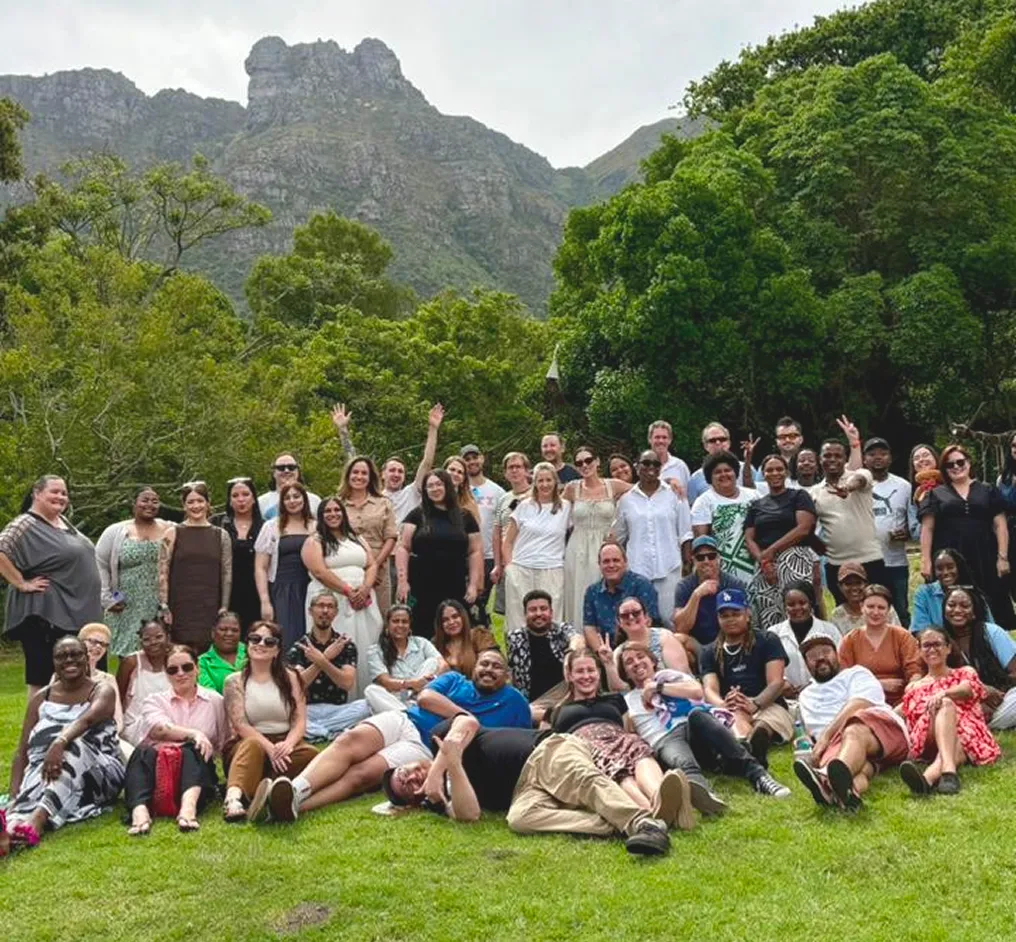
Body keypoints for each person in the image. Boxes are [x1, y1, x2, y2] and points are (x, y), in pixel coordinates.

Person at [253, 648, 529, 822]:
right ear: (475, 668)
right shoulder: (456, 680)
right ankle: (296, 789)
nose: (488, 670)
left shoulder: (514, 702)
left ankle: (294, 807)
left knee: (363, 774)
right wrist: (465, 718)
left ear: (506, 675)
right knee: (348, 741)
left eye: (496, 667)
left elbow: (514, 742)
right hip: (405, 720)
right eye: (484, 664)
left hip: (425, 750)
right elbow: (426, 698)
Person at [381, 713, 674, 856]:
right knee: (520, 819)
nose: (410, 778)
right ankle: (612, 823)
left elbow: (467, 723)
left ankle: (644, 826)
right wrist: (454, 768)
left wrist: (439, 766)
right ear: (412, 800)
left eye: (404, 772)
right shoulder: (438, 798)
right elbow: (469, 815)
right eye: (406, 786)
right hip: (524, 791)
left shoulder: (437, 739)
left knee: (583, 780)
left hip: (545, 751)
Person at [617, 641, 790, 808]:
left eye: (641, 657)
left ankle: (759, 776)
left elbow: (697, 692)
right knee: (680, 758)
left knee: (698, 715)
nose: (636, 663)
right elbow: (627, 731)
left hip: (697, 731)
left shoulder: (671, 677)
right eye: (629, 662)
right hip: (665, 738)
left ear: (652, 660)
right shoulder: (627, 701)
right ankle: (705, 796)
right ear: (625, 673)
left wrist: (657, 687)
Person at [548, 647, 694, 828]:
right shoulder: (557, 711)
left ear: (598, 673)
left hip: (620, 738)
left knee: (639, 751)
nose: (586, 676)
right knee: (614, 764)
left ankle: (659, 797)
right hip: (586, 745)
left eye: (591, 670)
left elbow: (628, 728)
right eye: (580, 671)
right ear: (569, 676)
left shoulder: (615, 700)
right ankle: (650, 810)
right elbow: (548, 747)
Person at [5, 637, 124, 849]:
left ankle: (39, 818)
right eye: (62, 656)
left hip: (99, 772)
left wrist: (60, 742)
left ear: (86, 659)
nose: (69, 660)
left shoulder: (101, 690)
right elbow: (22, 750)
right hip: (47, 770)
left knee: (74, 746)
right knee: (25, 795)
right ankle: (14, 827)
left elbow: (86, 720)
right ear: (54, 662)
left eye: (76, 654)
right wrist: (13, 797)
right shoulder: (42, 698)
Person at [0, 474, 102, 696]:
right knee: (43, 677)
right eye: (54, 491)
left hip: (76, 613)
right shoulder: (25, 523)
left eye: (64, 493)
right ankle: (38, 728)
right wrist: (21, 582)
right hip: (46, 615)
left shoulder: (63, 522)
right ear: (37, 493)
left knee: (81, 676)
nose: (60, 497)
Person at [792, 635, 910, 810]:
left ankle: (825, 779)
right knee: (860, 768)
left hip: (880, 731)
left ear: (837, 655)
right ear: (806, 664)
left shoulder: (856, 673)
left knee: (853, 728)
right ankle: (847, 794)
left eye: (825, 652)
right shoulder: (805, 696)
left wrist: (826, 736)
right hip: (842, 746)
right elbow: (809, 730)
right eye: (813, 656)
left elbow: (860, 704)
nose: (820, 658)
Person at [124, 644, 229, 835]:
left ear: (197, 668)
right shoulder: (154, 701)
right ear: (167, 674)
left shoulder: (215, 701)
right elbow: (158, 730)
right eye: (173, 670)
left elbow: (223, 742)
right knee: (142, 751)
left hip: (198, 771)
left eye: (187, 667)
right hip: (159, 770)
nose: (181, 673)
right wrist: (194, 733)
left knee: (193, 749)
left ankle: (188, 811)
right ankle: (139, 813)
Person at [220, 620, 318, 821]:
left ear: (277, 650)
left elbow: (299, 721)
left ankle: (269, 790)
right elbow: (240, 725)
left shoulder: (291, 677)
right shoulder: (234, 681)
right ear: (247, 645)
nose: (261, 644)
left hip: (284, 744)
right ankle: (233, 800)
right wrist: (269, 749)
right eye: (255, 639)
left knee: (312, 755)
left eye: (269, 641)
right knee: (253, 745)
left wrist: (288, 745)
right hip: (248, 745)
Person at [920, 443, 1013, 631]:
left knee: (991, 611)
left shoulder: (988, 490)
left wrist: (1002, 557)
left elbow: (1000, 524)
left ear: (969, 463)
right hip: (949, 561)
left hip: (985, 558)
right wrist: (925, 560)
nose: (956, 467)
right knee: (954, 611)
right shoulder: (935, 494)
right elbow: (927, 528)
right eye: (949, 464)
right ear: (944, 469)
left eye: (960, 462)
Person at [898, 626, 1000, 796]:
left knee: (956, 735)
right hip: (929, 735)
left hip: (967, 735)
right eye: (926, 645)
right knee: (946, 706)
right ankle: (948, 772)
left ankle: (928, 778)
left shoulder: (964, 673)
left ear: (948, 648)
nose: (932, 649)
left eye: (937, 644)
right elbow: (904, 713)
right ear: (920, 651)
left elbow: (968, 690)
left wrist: (944, 693)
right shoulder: (914, 687)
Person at [699, 588, 793, 768]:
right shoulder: (709, 651)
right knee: (736, 715)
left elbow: (776, 682)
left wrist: (755, 704)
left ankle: (754, 742)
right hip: (733, 706)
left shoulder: (767, 639)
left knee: (765, 723)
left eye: (736, 613)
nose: (730, 619)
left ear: (748, 614)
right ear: (718, 619)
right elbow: (709, 688)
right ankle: (747, 747)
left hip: (768, 701)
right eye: (724, 615)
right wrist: (723, 704)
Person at [301, 497, 382, 695]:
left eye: (337, 510)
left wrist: (364, 589)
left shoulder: (356, 538)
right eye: (327, 511)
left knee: (367, 645)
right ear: (321, 516)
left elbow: (371, 564)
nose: (333, 514)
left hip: (363, 599)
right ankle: (340, 698)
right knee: (339, 644)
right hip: (333, 598)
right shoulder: (315, 540)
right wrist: (348, 591)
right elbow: (319, 571)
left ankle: (368, 693)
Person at [396, 469, 482, 640]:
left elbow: (475, 551)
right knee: (422, 630)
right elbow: (403, 547)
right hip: (422, 584)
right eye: (430, 486)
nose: (435, 489)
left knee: (455, 628)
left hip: (455, 583)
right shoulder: (417, 515)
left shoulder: (465, 517)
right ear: (425, 490)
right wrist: (402, 581)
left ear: (447, 486)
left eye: (438, 484)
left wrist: (473, 584)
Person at [331, 401, 443, 526]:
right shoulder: (373, 497)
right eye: (392, 470)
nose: (396, 474)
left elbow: (427, 462)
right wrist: (342, 430)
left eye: (400, 471)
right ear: (382, 474)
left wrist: (433, 428)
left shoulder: (411, 494)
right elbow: (353, 462)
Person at [743, 454, 820, 629]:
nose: (775, 473)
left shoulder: (799, 496)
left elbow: (803, 528)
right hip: (765, 564)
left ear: (786, 472)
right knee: (770, 615)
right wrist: (764, 561)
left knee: (799, 610)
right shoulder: (757, 505)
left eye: (779, 469)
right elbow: (749, 538)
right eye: (769, 470)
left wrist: (772, 551)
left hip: (794, 559)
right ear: (763, 474)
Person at [613, 450, 692, 619]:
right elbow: (617, 537)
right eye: (646, 463)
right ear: (636, 467)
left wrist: (687, 565)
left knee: (671, 619)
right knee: (638, 621)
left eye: (656, 464)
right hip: (637, 569)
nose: (651, 468)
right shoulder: (626, 500)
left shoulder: (675, 495)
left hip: (670, 567)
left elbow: (685, 533)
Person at [810, 433, 887, 602]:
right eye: (827, 455)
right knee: (844, 613)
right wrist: (821, 546)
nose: (832, 459)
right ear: (819, 459)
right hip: (836, 564)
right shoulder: (814, 492)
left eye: (838, 456)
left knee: (876, 609)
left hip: (870, 560)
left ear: (845, 458)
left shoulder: (862, 474)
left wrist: (847, 488)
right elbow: (807, 527)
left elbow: (858, 480)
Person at [561, 446, 631, 627]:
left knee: (605, 591)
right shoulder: (572, 488)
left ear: (597, 461)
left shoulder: (612, 485)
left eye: (588, 460)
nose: (585, 465)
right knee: (577, 593)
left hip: (604, 547)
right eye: (579, 463)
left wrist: (670, 482)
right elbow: (551, 504)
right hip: (577, 550)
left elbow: (643, 489)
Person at [157, 482, 231, 653]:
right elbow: (162, 571)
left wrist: (224, 606)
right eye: (190, 502)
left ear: (207, 503)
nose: (196, 506)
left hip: (210, 605)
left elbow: (227, 573)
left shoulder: (221, 535)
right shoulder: (172, 533)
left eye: (200, 501)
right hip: (180, 605)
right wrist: (164, 605)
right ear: (184, 505)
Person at [95, 486, 169, 656]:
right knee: (128, 654)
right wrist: (107, 599)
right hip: (124, 600)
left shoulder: (169, 529)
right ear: (134, 504)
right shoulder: (115, 531)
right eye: (145, 500)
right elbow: (100, 563)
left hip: (158, 601)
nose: (149, 504)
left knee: (158, 650)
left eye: (155, 501)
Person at [287, 591, 371, 740]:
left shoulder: (345, 645)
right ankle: (331, 733)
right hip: (308, 709)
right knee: (286, 712)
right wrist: (325, 658)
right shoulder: (300, 646)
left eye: (330, 607)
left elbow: (347, 683)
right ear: (310, 611)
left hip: (337, 709)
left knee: (367, 706)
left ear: (336, 613)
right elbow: (298, 685)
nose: (325, 611)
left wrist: (322, 661)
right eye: (320, 606)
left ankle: (316, 732)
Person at [502, 462, 572, 633]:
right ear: (534, 482)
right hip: (522, 569)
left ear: (556, 482)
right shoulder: (524, 506)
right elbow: (508, 541)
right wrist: (510, 568)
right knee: (519, 620)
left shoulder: (566, 507)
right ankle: (518, 657)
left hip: (552, 569)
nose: (545, 484)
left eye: (549, 480)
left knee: (552, 619)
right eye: (540, 481)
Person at [940, 585, 1016, 730]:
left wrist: (994, 694)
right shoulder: (941, 640)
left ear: (974, 612)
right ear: (944, 610)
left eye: (965, 606)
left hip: (1002, 699)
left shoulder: (991, 632)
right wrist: (980, 692)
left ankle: (975, 725)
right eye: (951, 605)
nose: (957, 610)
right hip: (963, 701)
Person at [253, 482, 314, 650]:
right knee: (287, 638)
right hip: (282, 590)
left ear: (304, 499)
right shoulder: (271, 527)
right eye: (287, 498)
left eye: (296, 496)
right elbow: (261, 567)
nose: (292, 501)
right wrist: (265, 600)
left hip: (311, 588)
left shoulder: (316, 526)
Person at [837, 585, 920, 706]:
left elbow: (915, 671)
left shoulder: (902, 637)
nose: (875, 612)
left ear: (888, 610)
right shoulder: (849, 641)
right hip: (863, 701)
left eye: (881, 608)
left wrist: (912, 687)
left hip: (901, 702)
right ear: (862, 607)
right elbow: (845, 680)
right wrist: (879, 684)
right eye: (870, 607)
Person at [862, 437, 912, 626]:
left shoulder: (904, 486)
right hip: (866, 559)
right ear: (865, 459)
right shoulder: (858, 485)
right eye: (872, 454)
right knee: (868, 610)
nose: (878, 458)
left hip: (896, 560)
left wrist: (906, 532)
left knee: (900, 610)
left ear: (890, 458)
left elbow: (912, 521)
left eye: (883, 454)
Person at [506, 589, 578, 719]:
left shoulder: (561, 631)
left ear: (551, 612)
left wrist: (570, 653)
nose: (538, 614)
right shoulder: (515, 638)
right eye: (533, 610)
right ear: (525, 614)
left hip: (565, 698)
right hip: (532, 705)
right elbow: (512, 674)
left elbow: (577, 639)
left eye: (543, 609)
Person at [673, 535, 749, 654]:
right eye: (700, 557)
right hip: (699, 645)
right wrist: (696, 595)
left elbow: (745, 619)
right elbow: (680, 628)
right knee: (678, 639)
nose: (706, 561)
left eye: (711, 556)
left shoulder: (733, 583)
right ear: (693, 560)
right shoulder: (684, 586)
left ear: (718, 558)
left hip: (728, 641)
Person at [363, 604, 444, 713]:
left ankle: (409, 710)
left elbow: (444, 665)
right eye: (396, 621)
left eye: (404, 621)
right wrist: (413, 683)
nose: (400, 625)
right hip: (392, 699)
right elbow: (385, 682)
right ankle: (406, 713)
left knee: (433, 662)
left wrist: (431, 678)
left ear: (410, 625)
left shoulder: (422, 643)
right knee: (371, 690)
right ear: (387, 624)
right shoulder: (375, 650)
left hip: (420, 695)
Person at [690, 450, 757, 581]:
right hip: (723, 571)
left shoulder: (754, 496)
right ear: (710, 477)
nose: (724, 474)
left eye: (728, 470)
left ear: (735, 472)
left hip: (756, 565)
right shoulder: (703, 502)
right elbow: (702, 542)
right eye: (717, 472)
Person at [768, 583, 843, 697]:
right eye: (791, 604)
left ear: (811, 603)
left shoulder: (829, 630)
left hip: (826, 694)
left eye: (802, 603)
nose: (797, 608)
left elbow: (842, 663)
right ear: (785, 607)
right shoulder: (773, 634)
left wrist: (813, 685)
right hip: (787, 700)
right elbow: (767, 668)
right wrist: (782, 684)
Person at [211, 477, 264, 635]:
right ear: (229, 500)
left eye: (245, 494)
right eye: (235, 496)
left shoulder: (265, 526)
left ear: (254, 498)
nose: (241, 500)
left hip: (256, 591)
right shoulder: (218, 523)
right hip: (225, 591)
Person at [459, 443, 505, 624]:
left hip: (487, 556)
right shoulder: (457, 489)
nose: (471, 462)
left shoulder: (497, 491)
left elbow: (502, 526)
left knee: (480, 602)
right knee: (463, 602)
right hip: (462, 554)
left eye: (474, 457)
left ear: (482, 458)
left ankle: (483, 637)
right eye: (467, 459)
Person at [582, 541, 660, 647]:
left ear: (625, 562)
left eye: (616, 560)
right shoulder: (592, 592)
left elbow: (649, 623)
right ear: (599, 565)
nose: (611, 565)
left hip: (640, 648)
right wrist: (601, 653)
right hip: (605, 650)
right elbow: (589, 627)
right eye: (606, 561)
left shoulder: (642, 585)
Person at [117, 619, 172, 748]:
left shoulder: (175, 660)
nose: (153, 643)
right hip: (136, 726)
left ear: (167, 637)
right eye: (147, 639)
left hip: (171, 723)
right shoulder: (131, 662)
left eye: (159, 637)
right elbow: (118, 697)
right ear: (140, 642)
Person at [491, 451, 532, 616]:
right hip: (507, 561)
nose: (514, 471)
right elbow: (496, 533)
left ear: (526, 470)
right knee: (511, 611)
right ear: (505, 473)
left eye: (518, 467)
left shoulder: (536, 495)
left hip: (529, 559)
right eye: (510, 468)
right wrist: (497, 564)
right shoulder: (503, 499)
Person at [911, 548, 983, 634]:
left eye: (950, 567)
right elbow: (919, 630)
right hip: (936, 644)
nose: (945, 572)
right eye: (939, 568)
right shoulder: (924, 593)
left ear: (958, 567)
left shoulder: (972, 590)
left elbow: (987, 627)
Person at [613, 596, 691, 673]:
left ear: (646, 616)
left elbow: (681, 675)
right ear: (619, 622)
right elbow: (621, 685)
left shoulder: (664, 637)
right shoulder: (618, 652)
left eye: (636, 613)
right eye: (625, 615)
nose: (631, 617)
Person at [687, 423, 760, 504]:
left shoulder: (747, 468)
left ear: (729, 442)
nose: (718, 443)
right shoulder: (696, 478)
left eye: (722, 439)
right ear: (705, 446)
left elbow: (755, 495)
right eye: (712, 440)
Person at [74, 623, 123, 731]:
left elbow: (118, 719)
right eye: (93, 641)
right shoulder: (62, 676)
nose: (98, 647)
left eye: (104, 644)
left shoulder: (109, 679)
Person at [829, 561, 901, 633]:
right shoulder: (837, 615)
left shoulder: (884, 609)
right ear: (840, 587)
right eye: (848, 584)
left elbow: (899, 638)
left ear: (866, 584)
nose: (854, 588)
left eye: (858, 583)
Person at [432, 599, 496, 676]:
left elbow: (490, 664)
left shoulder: (479, 636)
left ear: (463, 617)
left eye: (455, 616)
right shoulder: (435, 644)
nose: (451, 622)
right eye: (445, 620)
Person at [258, 453, 321, 521]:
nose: (286, 471)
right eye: (281, 468)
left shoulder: (314, 500)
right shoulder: (261, 502)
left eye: (291, 467)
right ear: (273, 473)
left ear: (298, 471)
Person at [197, 611, 247, 695]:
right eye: (223, 629)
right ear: (213, 632)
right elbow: (210, 694)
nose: (229, 634)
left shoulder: (251, 652)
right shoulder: (202, 662)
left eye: (235, 630)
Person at [907, 443, 941, 538]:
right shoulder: (915, 495)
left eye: (926, 455)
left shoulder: (951, 484)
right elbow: (915, 532)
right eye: (916, 458)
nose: (921, 460)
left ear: (935, 458)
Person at [647, 420, 690, 491]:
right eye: (657, 437)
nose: (661, 441)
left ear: (670, 440)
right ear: (649, 439)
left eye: (664, 437)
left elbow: (687, 495)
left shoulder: (680, 466)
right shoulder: (641, 467)